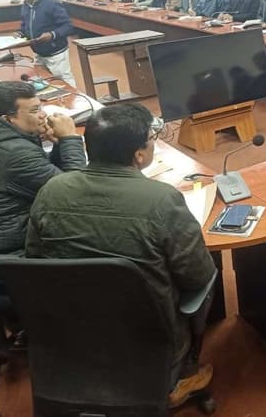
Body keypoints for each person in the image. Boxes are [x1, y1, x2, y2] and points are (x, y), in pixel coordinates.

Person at [25, 103, 216, 406]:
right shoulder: (162, 199)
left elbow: (34, 258)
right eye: (151, 139)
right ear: (139, 155)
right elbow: (197, 275)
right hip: (149, 332)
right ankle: (180, 373)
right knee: (208, 279)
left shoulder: (52, 189)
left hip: (73, 323)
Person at [0, 81, 86, 259]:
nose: (43, 115)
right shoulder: (15, 153)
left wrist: (59, 145)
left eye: (40, 107)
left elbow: (49, 176)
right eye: (35, 111)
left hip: (8, 234)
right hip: (13, 252)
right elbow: (76, 193)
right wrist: (70, 138)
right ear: (7, 119)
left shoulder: (1, 139)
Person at [16, 0, 77, 86]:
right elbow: (25, 24)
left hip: (55, 51)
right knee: (43, 78)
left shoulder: (52, 4)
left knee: (63, 79)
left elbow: (68, 26)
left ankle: (74, 96)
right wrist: (20, 33)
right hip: (39, 51)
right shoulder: (27, 4)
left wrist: (52, 35)